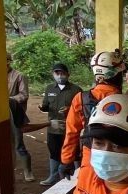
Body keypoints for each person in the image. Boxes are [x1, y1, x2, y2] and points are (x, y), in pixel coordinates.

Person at [60, 50, 125, 173]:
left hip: (90, 157)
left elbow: (72, 132)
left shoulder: (81, 98)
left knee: (87, 189)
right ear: (116, 74)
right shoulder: (125, 101)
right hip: (119, 158)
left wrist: (66, 160)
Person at [38, 63, 81, 186]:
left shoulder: (76, 90)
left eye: (62, 73)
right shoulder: (49, 88)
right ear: (53, 75)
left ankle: (78, 177)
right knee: (54, 151)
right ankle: (53, 176)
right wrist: (42, 107)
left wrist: (70, 109)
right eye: (57, 73)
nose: (60, 76)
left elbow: (81, 108)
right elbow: (46, 105)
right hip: (54, 127)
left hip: (71, 128)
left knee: (75, 151)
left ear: (68, 74)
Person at [7, 52, 35, 182]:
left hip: (14, 113)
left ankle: (27, 171)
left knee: (18, 143)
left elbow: (24, 95)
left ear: (8, 61)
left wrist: (8, 100)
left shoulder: (19, 76)